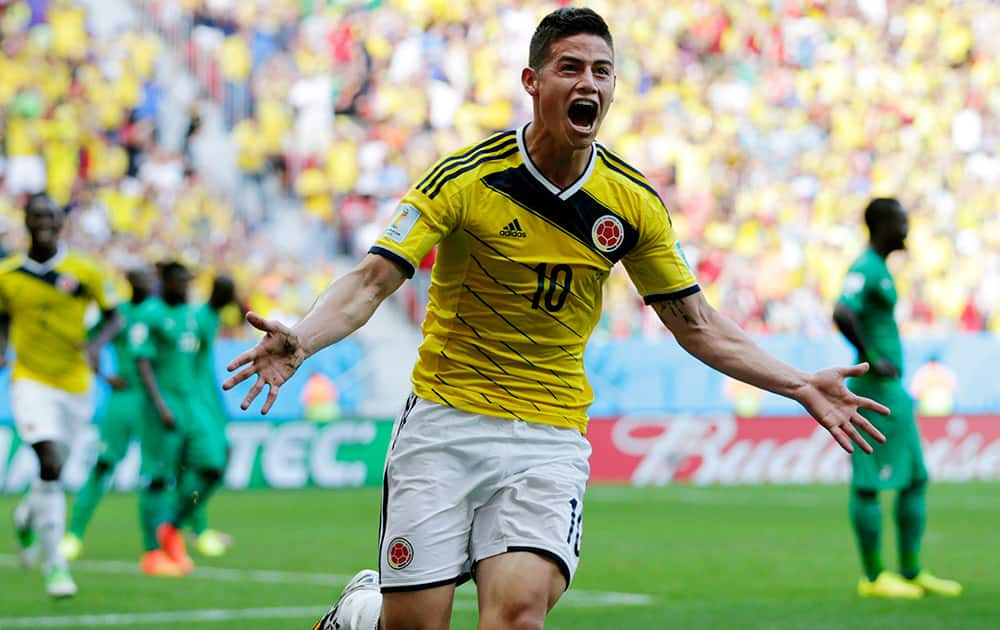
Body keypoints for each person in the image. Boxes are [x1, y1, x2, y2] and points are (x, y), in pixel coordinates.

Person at [225, 9, 888, 630]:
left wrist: (798, 383)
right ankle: (365, 613)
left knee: (517, 616)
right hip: (445, 424)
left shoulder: (632, 204)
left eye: (602, 71)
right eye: (571, 67)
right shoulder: (465, 179)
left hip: (548, 435)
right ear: (533, 81)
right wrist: (304, 338)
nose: (589, 82)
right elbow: (372, 281)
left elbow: (699, 325)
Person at [833, 198, 962, 599]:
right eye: (902, 221)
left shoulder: (881, 270)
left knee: (917, 478)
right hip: (874, 388)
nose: (907, 228)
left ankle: (910, 572)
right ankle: (874, 579)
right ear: (883, 224)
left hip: (892, 389)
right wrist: (871, 356)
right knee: (869, 483)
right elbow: (841, 311)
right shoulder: (866, 268)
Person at [0, 193, 122, 598]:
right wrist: (2, 349)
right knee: (49, 462)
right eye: (37, 215)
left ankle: (26, 513)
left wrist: (95, 346)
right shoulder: (8, 274)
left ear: (61, 222)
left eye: (51, 215)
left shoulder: (84, 270)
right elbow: (2, 317)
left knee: (54, 472)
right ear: (26, 220)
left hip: (74, 385)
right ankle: (56, 568)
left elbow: (114, 316)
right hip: (30, 379)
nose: (45, 222)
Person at [133, 261, 228, 576]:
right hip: (162, 407)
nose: (185, 285)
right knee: (158, 478)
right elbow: (143, 362)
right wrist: (160, 405)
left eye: (188, 280)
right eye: (180, 280)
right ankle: (151, 553)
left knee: (213, 466)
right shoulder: (150, 314)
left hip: (191, 407)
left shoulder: (192, 316)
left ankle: (171, 527)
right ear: (165, 281)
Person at [61, 268, 156, 561]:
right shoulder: (119, 314)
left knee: (162, 472)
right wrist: (103, 375)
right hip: (123, 397)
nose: (145, 282)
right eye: (139, 278)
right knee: (103, 465)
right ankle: (73, 535)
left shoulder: (162, 313)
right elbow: (88, 343)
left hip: (155, 399)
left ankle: (167, 542)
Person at [184, 273, 240, 557]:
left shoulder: (212, 318)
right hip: (193, 404)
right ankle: (194, 527)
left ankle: (192, 525)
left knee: (218, 462)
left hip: (210, 403)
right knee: (207, 466)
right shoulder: (198, 318)